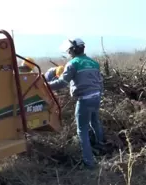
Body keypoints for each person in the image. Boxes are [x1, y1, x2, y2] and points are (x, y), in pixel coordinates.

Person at [48, 38, 104, 170]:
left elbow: (62, 83)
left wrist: (45, 85)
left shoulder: (73, 64)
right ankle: (101, 146)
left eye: (69, 50)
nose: (68, 52)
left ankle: (89, 163)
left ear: (73, 50)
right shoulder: (94, 63)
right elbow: (101, 82)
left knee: (82, 130)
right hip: (96, 97)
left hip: (84, 99)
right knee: (95, 122)